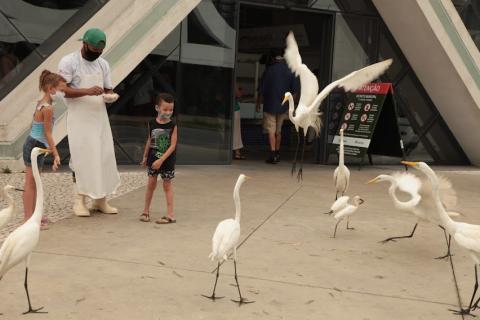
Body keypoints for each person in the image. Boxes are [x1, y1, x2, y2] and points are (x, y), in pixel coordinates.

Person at [58, 28, 120, 217]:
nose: (97, 54)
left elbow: (108, 89)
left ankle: (100, 200)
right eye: (94, 49)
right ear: (84, 44)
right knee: (82, 157)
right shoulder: (69, 61)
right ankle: (80, 200)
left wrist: (110, 96)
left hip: (99, 117)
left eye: (100, 51)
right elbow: (61, 88)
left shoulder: (103, 64)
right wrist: (86, 91)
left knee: (103, 156)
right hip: (79, 118)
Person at [22, 70, 66, 228]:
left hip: (35, 144)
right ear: (50, 89)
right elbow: (47, 133)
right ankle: (29, 219)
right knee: (31, 183)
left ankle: (34, 215)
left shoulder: (41, 103)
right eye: (60, 90)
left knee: (34, 182)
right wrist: (56, 153)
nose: (62, 93)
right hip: (35, 145)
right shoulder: (47, 108)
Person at [139, 93, 178, 224]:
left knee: (167, 186)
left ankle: (170, 214)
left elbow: (173, 145)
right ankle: (145, 211)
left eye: (171, 110)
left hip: (166, 161)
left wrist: (161, 160)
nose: (168, 112)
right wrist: (145, 157)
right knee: (150, 185)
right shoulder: (151, 123)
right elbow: (149, 140)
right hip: (152, 160)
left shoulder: (173, 125)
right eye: (165, 109)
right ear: (157, 108)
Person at [256, 48, 298, 164]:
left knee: (271, 130)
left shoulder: (268, 71)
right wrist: (291, 106)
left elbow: (261, 90)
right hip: (283, 107)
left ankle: (273, 154)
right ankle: (278, 153)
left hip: (270, 105)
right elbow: (295, 92)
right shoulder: (290, 71)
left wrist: (258, 103)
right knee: (278, 131)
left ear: (274, 58)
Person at [233, 85, 245, 160]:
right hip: (234, 109)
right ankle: (237, 152)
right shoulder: (232, 79)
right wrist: (240, 91)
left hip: (222, 109)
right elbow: (238, 94)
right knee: (236, 131)